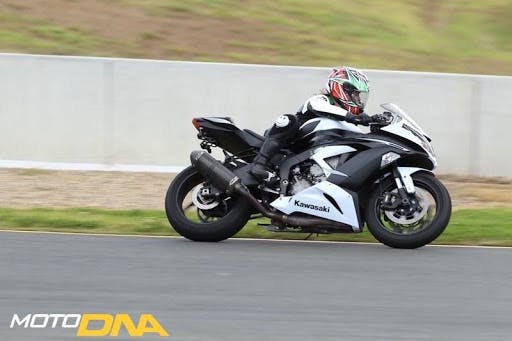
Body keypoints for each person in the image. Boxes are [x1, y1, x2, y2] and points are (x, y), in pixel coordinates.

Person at [249, 66, 379, 185]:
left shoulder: (346, 121)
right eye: (355, 94)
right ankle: (259, 165)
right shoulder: (321, 100)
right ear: (342, 89)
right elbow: (319, 107)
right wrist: (355, 118)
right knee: (288, 120)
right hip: (287, 142)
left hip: (311, 156)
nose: (358, 99)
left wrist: (375, 124)